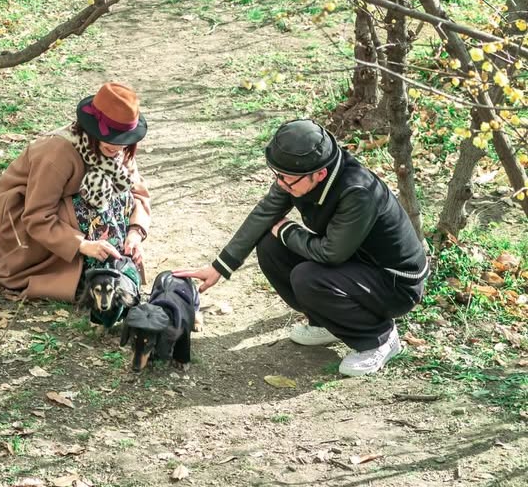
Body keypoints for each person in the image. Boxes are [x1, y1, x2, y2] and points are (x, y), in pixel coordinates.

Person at [176, 119, 429, 376]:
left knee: (307, 277)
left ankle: (379, 338)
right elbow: (265, 213)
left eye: (286, 179)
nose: (280, 183)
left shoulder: (357, 192)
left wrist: (288, 230)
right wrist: (220, 266)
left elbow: (331, 254)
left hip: (395, 284)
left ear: (319, 174)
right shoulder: (300, 172)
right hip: (354, 265)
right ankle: (326, 322)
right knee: (269, 244)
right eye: (277, 175)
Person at [0, 82, 152, 300]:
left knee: (120, 193)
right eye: (111, 137)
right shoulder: (58, 153)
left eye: (123, 140)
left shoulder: (119, 153)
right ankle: (92, 269)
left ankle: (113, 261)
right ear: (91, 129)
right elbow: (36, 216)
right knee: (90, 206)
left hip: (66, 213)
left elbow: (138, 194)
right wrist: (82, 245)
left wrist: (135, 233)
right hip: (25, 224)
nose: (117, 146)